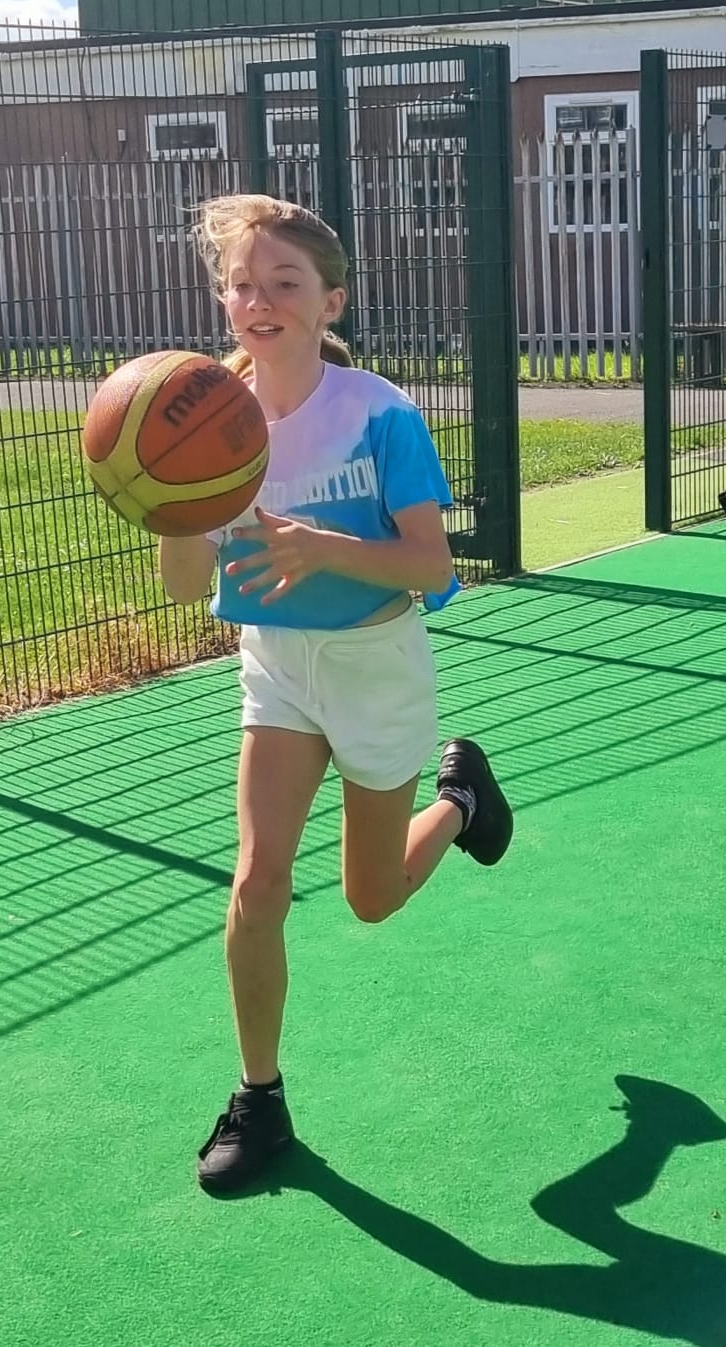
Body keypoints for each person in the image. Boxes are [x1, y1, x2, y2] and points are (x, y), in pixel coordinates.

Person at [158, 194, 513, 1196]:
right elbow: (188, 587)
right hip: (276, 665)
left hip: (375, 668)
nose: (259, 302)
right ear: (223, 300)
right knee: (257, 881)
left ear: (329, 302)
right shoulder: (199, 415)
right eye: (242, 286)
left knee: (370, 898)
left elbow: (432, 567)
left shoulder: (376, 413)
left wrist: (319, 547)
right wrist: (169, 503)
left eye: (285, 285)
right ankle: (258, 1097)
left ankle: (462, 801)